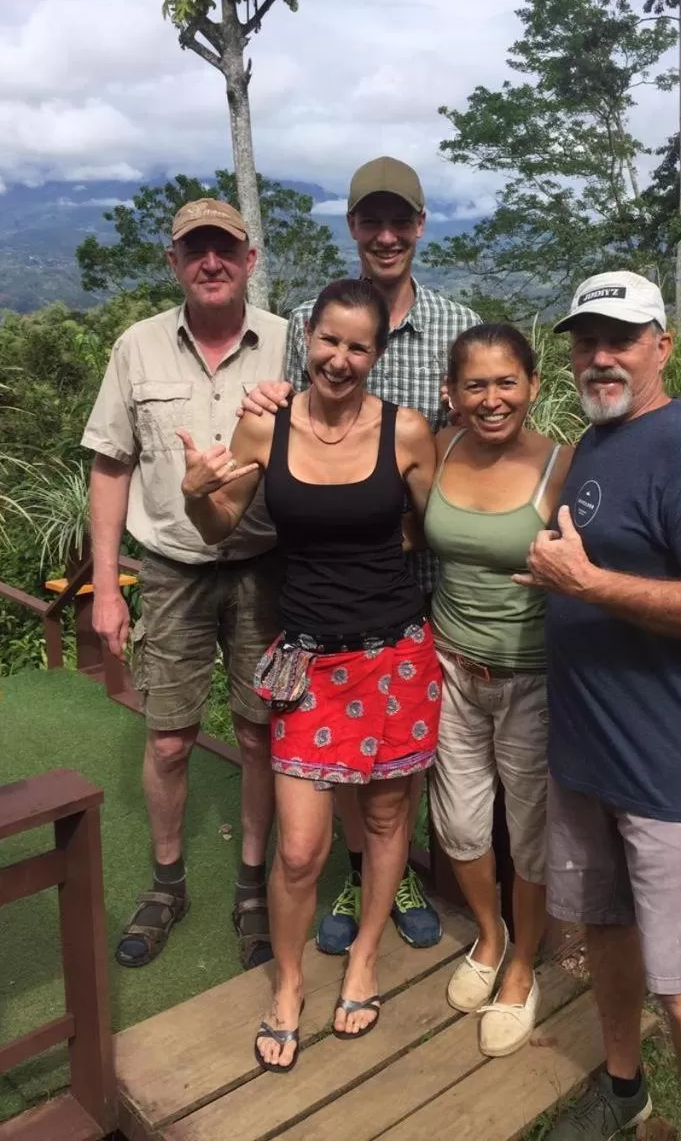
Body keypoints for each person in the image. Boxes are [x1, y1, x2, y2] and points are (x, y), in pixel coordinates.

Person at [515, 271, 681, 1141]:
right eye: (586, 341)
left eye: (621, 339)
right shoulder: (594, 444)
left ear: (664, 345)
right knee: (606, 934)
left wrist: (590, 583)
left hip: (664, 763)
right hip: (587, 751)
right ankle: (624, 1091)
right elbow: (571, 545)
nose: (601, 357)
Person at [181, 277, 441, 1073]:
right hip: (309, 661)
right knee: (300, 849)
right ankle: (288, 982)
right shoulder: (265, 425)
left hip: (397, 653)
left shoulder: (407, 433)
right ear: (308, 340)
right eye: (328, 340)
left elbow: (443, 527)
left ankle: (363, 956)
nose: (341, 358)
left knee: (390, 820)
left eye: (358, 345)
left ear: (378, 352)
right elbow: (220, 523)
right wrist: (196, 495)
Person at [244, 156, 480, 954]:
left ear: (420, 226)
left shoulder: (456, 325)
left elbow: (488, 430)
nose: (386, 235)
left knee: (396, 762)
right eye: (370, 221)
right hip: (329, 578)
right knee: (340, 748)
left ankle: (397, 871)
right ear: (352, 227)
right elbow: (292, 419)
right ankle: (361, 872)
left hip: (425, 576)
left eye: (400, 221)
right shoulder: (311, 320)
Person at [83, 198, 286, 971]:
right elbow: (111, 463)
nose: (211, 262)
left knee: (259, 733)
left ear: (248, 259)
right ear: (173, 262)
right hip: (169, 568)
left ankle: (252, 884)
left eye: (224, 249)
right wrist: (106, 587)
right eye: (195, 250)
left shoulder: (288, 346)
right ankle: (168, 881)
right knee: (168, 737)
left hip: (267, 566)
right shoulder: (137, 347)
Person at [424, 323, 573, 1057]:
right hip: (450, 668)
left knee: (532, 831)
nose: (492, 399)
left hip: (533, 678)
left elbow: (628, 540)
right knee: (459, 824)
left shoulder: (564, 466)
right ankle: (489, 935)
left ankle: (521, 966)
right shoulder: (432, 450)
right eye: (475, 385)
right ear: (451, 393)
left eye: (506, 382)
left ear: (534, 386)